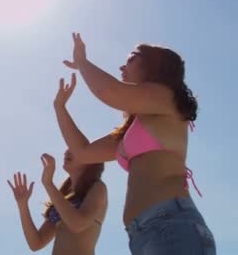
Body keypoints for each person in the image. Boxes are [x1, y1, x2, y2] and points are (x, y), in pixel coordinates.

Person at [56, 32, 215, 254]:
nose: (123, 66)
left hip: (171, 224)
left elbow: (110, 91)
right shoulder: (135, 128)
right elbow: (82, 152)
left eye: (131, 58)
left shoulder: (166, 97)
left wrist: (82, 61)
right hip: (143, 233)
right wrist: (60, 108)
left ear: (154, 66)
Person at [8, 148, 106, 254]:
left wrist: (48, 183)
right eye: (67, 149)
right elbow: (36, 243)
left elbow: (77, 224)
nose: (66, 152)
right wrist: (23, 205)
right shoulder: (63, 198)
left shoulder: (98, 187)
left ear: (91, 161)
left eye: (74, 149)